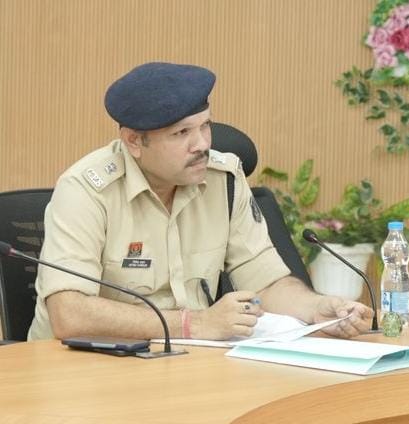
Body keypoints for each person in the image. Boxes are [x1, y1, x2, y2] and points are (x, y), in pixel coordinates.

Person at [27, 62, 372, 341]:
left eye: (205, 126)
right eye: (182, 133)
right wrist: (194, 324)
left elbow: (265, 283)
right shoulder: (86, 190)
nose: (202, 145)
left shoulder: (224, 179)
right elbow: (69, 314)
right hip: (82, 370)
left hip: (182, 363)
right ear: (134, 141)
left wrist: (315, 308)